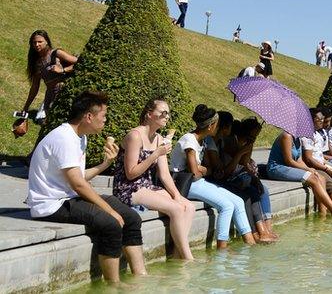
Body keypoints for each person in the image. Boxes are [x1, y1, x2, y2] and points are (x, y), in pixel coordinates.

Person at [27, 91, 147, 284]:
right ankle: (113, 285)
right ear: (89, 117)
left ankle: (140, 276)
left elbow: (78, 177)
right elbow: (78, 184)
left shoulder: (79, 136)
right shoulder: (64, 138)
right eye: (104, 116)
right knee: (111, 223)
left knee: (131, 217)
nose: (106, 120)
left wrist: (105, 164)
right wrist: (109, 211)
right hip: (50, 205)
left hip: (68, 196)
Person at [113, 99, 196, 260]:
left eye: (168, 114)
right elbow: (130, 173)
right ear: (149, 114)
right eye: (163, 113)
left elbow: (164, 175)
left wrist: (177, 196)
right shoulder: (134, 136)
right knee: (177, 209)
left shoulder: (159, 139)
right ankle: (188, 258)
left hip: (147, 186)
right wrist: (155, 154)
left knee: (189, 206)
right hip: (128, 188)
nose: (167, 117)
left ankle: (177, 255)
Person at [171, 105, 262, 247]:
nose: (218, 128)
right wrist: (204, 170)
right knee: (226, 206)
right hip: (186, 183)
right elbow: (194, 174)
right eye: (217, 125)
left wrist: (204, 169)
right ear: (210, 126)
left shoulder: (203, 141)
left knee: (238, 202)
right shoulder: (189, 141)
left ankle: (250, 244)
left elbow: (210, 169)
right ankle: (222, 248)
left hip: (198, 181)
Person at [203, 113, 278, 242]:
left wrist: (249, 146)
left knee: (258, 190)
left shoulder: (219, 141)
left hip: (226, 177)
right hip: (218, 179)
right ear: (225, 127)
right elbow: (224, 170)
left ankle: (264, 230)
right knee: (247, 196)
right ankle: (255, 233)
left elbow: (241, 162)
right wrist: (241, 152)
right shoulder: (222, 141)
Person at [265, 127, 332, 218]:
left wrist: (309, 169)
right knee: (313, 179)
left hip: (288, 167)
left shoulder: (298, 139)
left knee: (321, 177)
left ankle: (322, 213)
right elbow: (289, 161)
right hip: (277, 168)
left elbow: (299, 160)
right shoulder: (287, 136)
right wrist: (309, 170)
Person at [20, 30, 77, 124]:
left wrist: (63, 70)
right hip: (50, 95)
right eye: (34, 42)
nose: (37, 45)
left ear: (46, 41)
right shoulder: (36, 63)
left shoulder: (56, 53)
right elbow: (34, 87)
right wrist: (26, 107)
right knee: (45, 123)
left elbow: (80, 62)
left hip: (63, 92)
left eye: (40, 42)